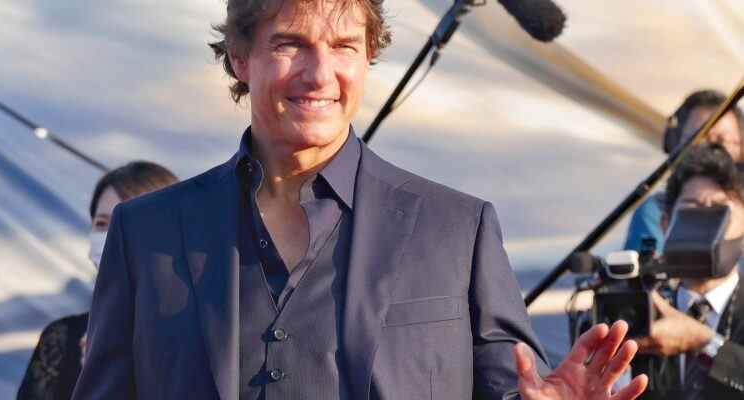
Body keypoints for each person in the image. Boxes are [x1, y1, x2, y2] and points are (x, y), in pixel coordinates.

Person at [71, 1, 647, 399]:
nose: (320, 73)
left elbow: (508, 385)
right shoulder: (146, 232)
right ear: (240, 60)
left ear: (368, 57)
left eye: (344, 46)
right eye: (291, 44)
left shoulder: (457, 229)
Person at [17, 161, 178, 400]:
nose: (112, 236)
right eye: (102, 224)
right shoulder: (62, 339)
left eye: (129, 222)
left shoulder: (201, 340)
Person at [632, 144, 744, 399]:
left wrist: (705, 343)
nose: (703, 221)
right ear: (665, 223)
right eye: (691, 208)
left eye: (719, 209)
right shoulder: (643, 309)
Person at [623, 90, 744, 253]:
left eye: (721, 141)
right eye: (700, 139)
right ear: (676, 144)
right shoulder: (656, 211)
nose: (710, 150)